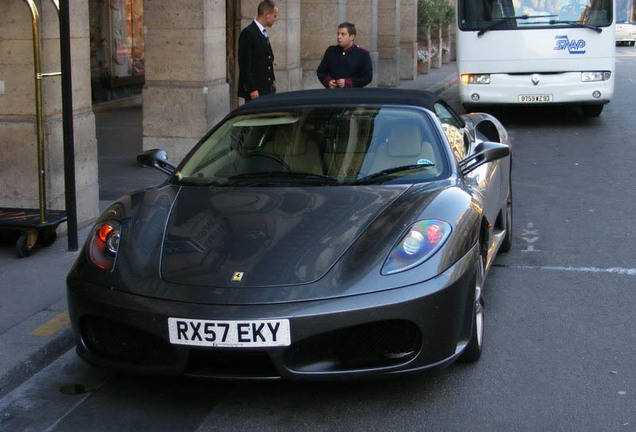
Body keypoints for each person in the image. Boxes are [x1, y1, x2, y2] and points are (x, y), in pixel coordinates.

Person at [238, 0, 278, 102]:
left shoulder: (261, 32)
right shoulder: (249, 33)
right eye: (274, 16)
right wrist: (252, 88)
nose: (275, 19)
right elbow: (245, 64)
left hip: (266, 88)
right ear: (266, 15)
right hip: (256, 90)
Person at [317, 22, 373, 89]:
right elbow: (321, 72)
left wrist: (348, 82)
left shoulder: (363, 54)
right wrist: (328, 81)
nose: (339, 37)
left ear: (352, 37)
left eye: (343, 34)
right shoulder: (331, 51)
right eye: (338, 34)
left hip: (353, 94)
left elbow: (367, 77)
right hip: (333, 93)